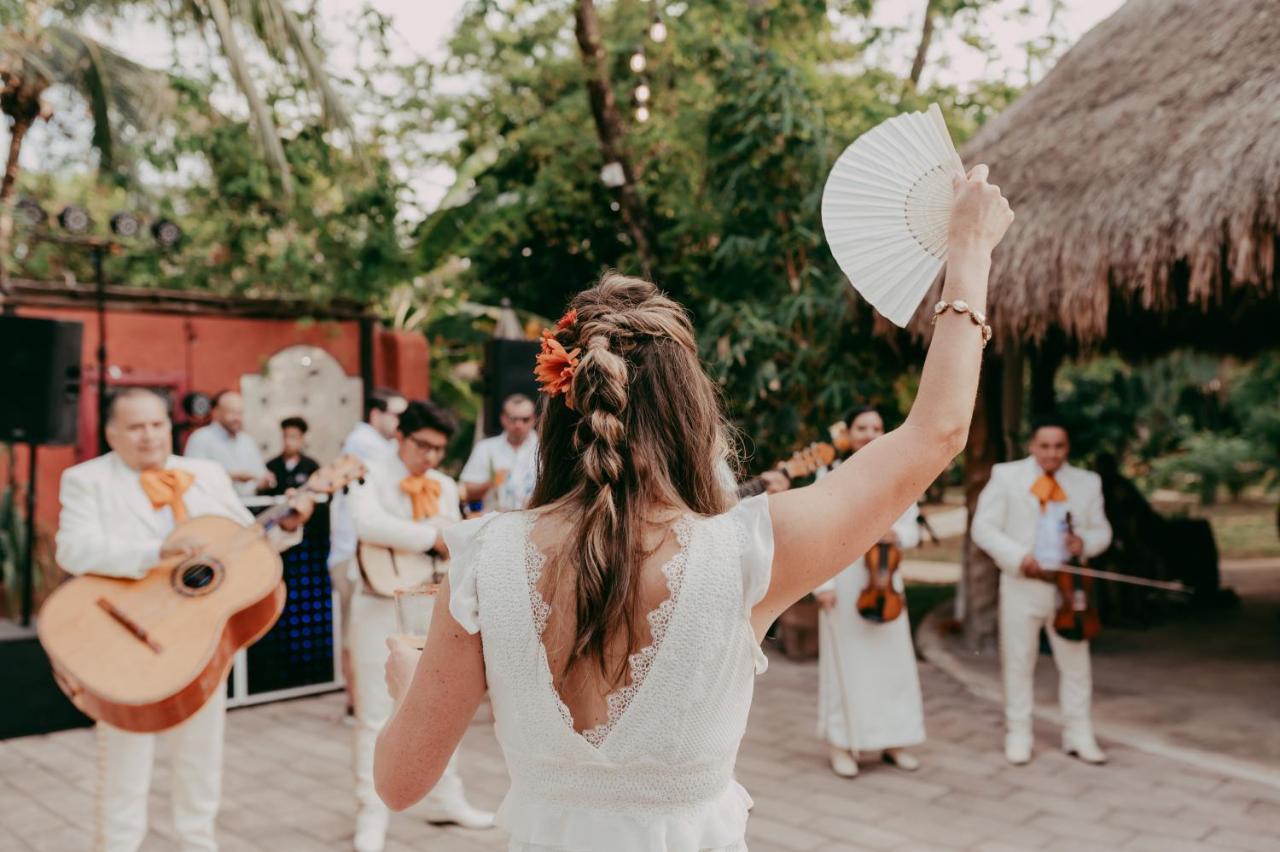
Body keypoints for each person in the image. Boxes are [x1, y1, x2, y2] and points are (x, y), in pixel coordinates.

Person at [373, 166, 1011, 850]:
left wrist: (411, 688)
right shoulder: (748, 554)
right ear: (690, 411)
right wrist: (969, 248)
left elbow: (400, 784)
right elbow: (938, 430)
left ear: (563, 410)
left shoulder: (483, 558)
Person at [54, 388, 311, 852]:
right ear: (111, 433)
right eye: (136, 427)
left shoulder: (206, 474)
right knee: (124, 773)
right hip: (126, 640)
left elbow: (246, 546)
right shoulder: (85, 479)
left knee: (201, 765)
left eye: (156, 424)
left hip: (200, 640)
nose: (150, 436)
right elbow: (72, 549)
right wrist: (154, 554)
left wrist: (288, 527)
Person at [348, 400, 495, 850]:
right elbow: (364, 523)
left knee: (439, 704)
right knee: (375, 713)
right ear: (400, 436)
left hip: (430, 604)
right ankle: (371, 814)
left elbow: (454, 537)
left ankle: (445, 799)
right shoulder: (366, 473)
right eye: (422, 446)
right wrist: (431, 537)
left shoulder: (443, 484)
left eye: (438, 449)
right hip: (377, 602)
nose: (430, 457)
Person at [971, 416, 1113, 766]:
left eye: (1059, 446)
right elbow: (983, 528)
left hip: (1069, 589)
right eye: (1045, 446)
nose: (1052, 453)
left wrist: (1085, 543)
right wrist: (1019, 558)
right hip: (1023, 585)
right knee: (1019, 662)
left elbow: (1102, 531)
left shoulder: (1087, 482)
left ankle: (1079, 734)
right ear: (1032, 446)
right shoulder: (1006, 476)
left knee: (1076, 664)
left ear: (1067, 448)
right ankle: (1019, 733)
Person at [813, 405, 926, 777]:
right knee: (845, 664)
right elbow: (817, 533)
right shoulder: (828, 473)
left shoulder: (900, 475)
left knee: (893, 666)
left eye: (877, 427)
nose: (870, 434)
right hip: (843, 579)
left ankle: (894, 739)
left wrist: (897, 534)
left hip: (883, 580)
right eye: (862, 427)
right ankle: (843, 743)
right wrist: (823, 586)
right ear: (848, 432)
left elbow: (913, 530)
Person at [329, 389, 408, 716]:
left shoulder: (385, 447)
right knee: (355, 630)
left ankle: (365, 701)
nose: (401, 423)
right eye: (396, 415)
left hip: (373, 553)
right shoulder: (365, 445)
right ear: (376, 415)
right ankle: (355, 701)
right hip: (353, 552)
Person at [184, 390, 273, 497]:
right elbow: (193, 477)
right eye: (232, 412)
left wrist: (265, 481)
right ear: (216, 412)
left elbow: (259, 475)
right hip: (215, 508)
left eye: (240, 413)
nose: (237, 418)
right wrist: (231, 477)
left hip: (249, 507)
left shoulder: (247, 441)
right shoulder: (201, 438)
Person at [459, 394, 539, 511]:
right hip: (493, 519)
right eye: (513, 419)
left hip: (535, 520)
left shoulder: (544, 449)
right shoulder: (485, 448)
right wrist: (492, 481)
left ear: (533, 419)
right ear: (503, 419)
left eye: (525, 419)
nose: (519, 424)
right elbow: (466, 492)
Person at [264, 416, 320, 495]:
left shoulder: (311, 466)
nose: (288, 442)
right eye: (285, 436)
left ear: (301, 439)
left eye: (293, 437)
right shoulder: (271, 466)